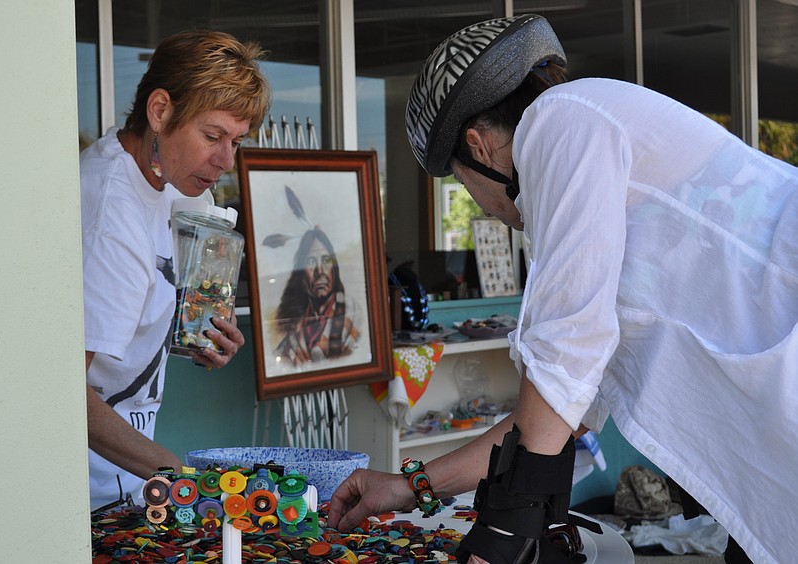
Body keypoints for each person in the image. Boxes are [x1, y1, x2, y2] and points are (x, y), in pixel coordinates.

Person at [327, 14, 798, 564]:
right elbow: (558, 409)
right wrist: (409, 486)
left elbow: (562, 358)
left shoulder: (562, 119)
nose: (483, 206)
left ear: (478, 147)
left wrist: (505, 533)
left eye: (462, 182)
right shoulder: (602, 161)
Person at [80, 29, 269, 510]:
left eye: (237, 141)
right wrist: (187, 479)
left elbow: (143, 314)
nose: (226, 160)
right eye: (213, 136)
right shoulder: (108, 211)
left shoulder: (179, 185)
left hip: (127, 482)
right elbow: (61, 391)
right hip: (83, 489)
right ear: (160, 111)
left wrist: (201, 338)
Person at [273, 228, 361, 366]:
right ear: (301, 276)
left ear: (335, 269)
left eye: (326, 260)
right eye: (311, 261)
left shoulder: (353, 314)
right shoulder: (294, 336)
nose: (319, 271)